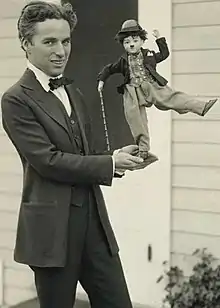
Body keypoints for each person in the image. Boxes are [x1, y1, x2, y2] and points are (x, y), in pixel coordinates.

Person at [1, 2, 146, 308]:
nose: (61, 51)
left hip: (94, 226)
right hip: (52, 233)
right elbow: (49, 162)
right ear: (26, 44)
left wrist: (118, 157)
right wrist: (108, 163)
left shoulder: (74, 93)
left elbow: (85, 155)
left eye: (65, 41)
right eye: (49, 41)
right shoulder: (15, 100)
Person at [98, 19, 218, 159]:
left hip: (151, 85)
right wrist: (101, 80)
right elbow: (109, 69)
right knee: (135, 118)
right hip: (132, 91)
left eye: (135, 40)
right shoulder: (123, 60)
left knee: (173, 98)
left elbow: (164, 54)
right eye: (127, 42)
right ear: (123, 44)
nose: (131, 44)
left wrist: (160, 39)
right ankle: (143, 149)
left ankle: (201, 106)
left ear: (142, 41)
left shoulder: (149, 55)